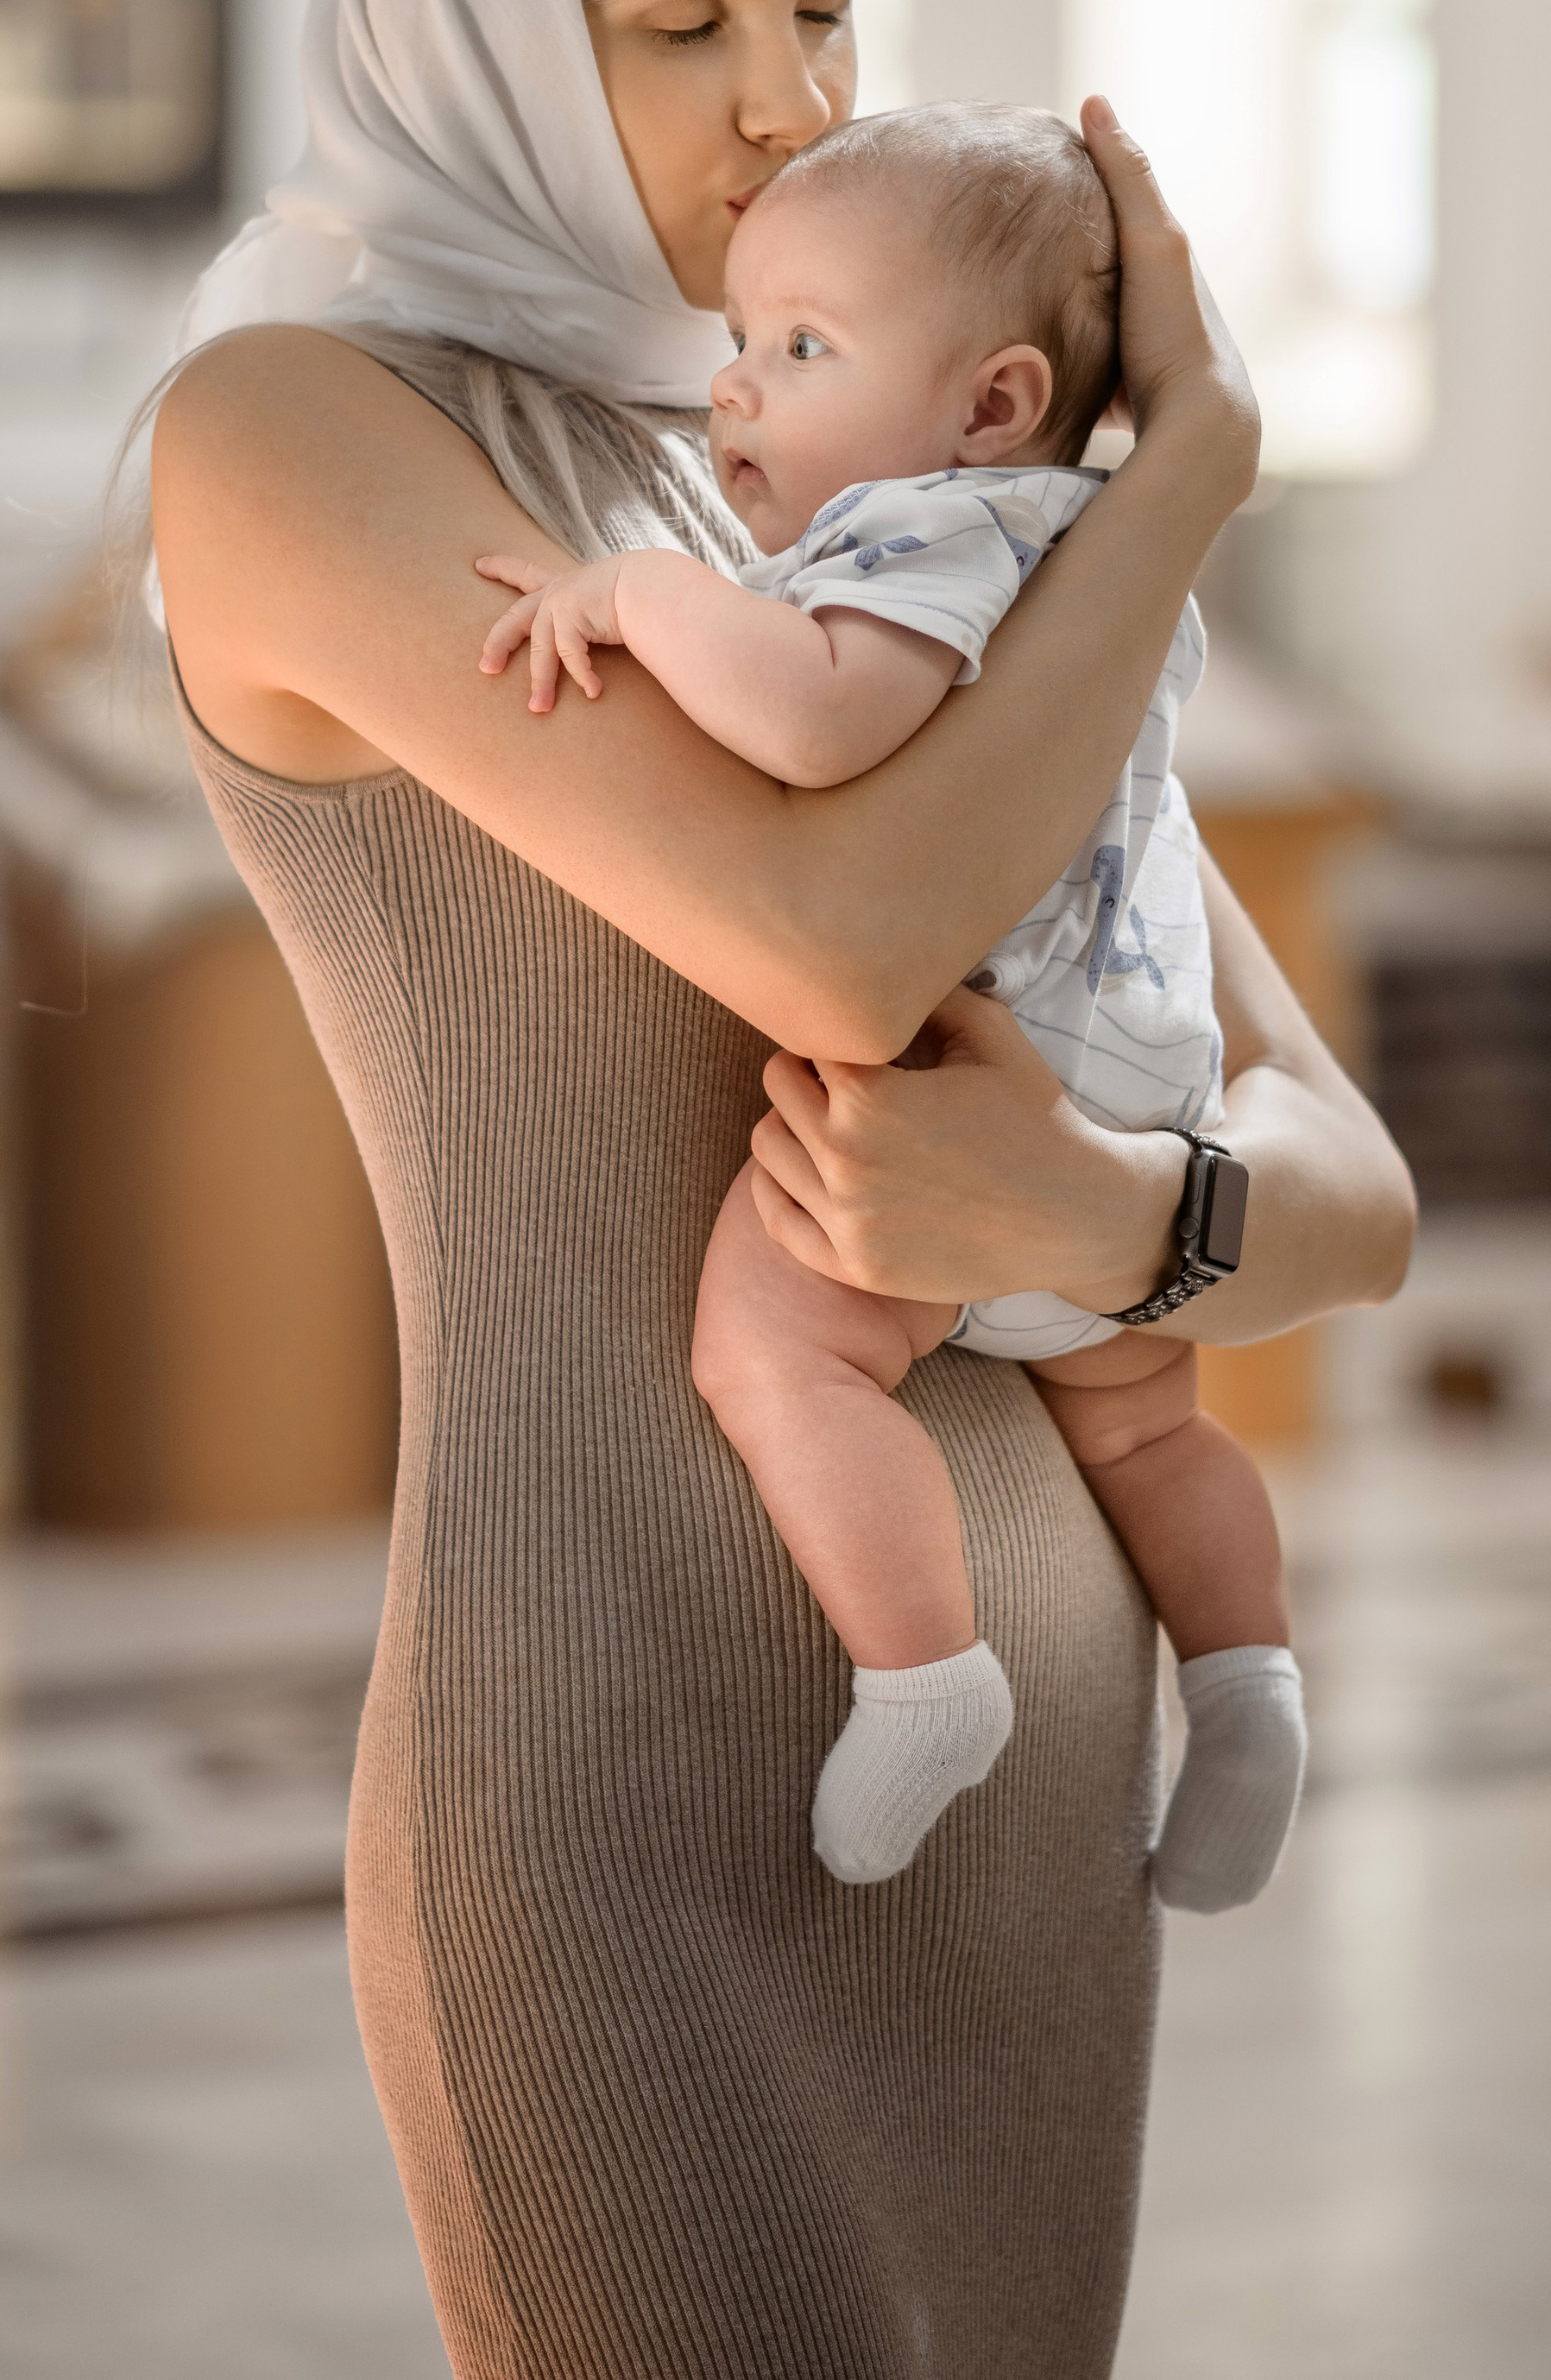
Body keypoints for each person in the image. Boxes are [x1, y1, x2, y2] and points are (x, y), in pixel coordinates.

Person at [148, 0, 1415, 2380]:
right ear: (473, 9)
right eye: (685, 16)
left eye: (828, 1)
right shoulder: (297, 433)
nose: (788, 100)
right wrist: (1164, 499)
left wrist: (1098, 1218)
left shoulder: (862, 486)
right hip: (618, 1791)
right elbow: (840, 943)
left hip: (1030, 1827)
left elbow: (1359, 1198)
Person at [473, 99, 1305, 1910]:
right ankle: (1245, 1684)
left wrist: (638, 592)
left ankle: (923, 1674)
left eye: (799, 348)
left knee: (777, 1355)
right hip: (1140, 1084)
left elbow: (816, 718)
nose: (736, 394)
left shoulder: (936, 530)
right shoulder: (1101, 547)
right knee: (1148, 1425)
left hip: (979, 1063)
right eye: (735, 343)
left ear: (990, 406)